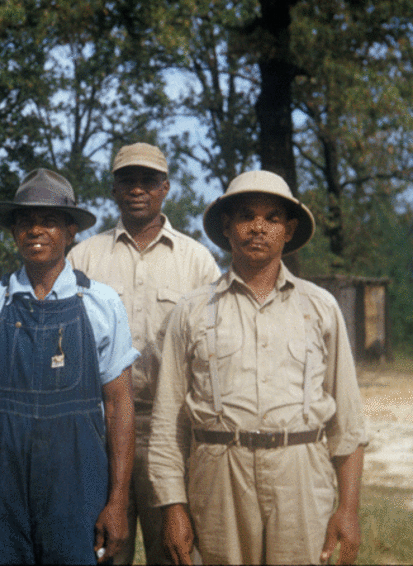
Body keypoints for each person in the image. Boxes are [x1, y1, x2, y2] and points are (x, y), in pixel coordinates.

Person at [149, 170, 367, 565]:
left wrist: (348, 510)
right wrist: (173, 507)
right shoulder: (194, 311)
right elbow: (167, 425)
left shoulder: (319, 308)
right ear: (227, 226)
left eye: (272, 218)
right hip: (219, 477)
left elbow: (349, 424)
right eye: (247, 215)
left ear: (289, 229)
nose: (258, 227)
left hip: (300, 473)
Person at [0, 169, 139, 565]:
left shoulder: (101, 304)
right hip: (2, 486)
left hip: (77, 484)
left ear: (71, 232)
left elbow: (120, 405)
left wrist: (118, 500)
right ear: (14, 231)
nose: (35, 230)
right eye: (25, 221)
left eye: (49, 221)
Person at [68, 142, 220, 564]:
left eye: (148, 180)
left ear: (165, 188)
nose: (138, 189)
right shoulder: (83, 257)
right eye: (127, 180)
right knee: (100, 550)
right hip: (97, 429)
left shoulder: (198, 262)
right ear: (113, 189)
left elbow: (210, 357)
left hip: (167, 430)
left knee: (173, 551)